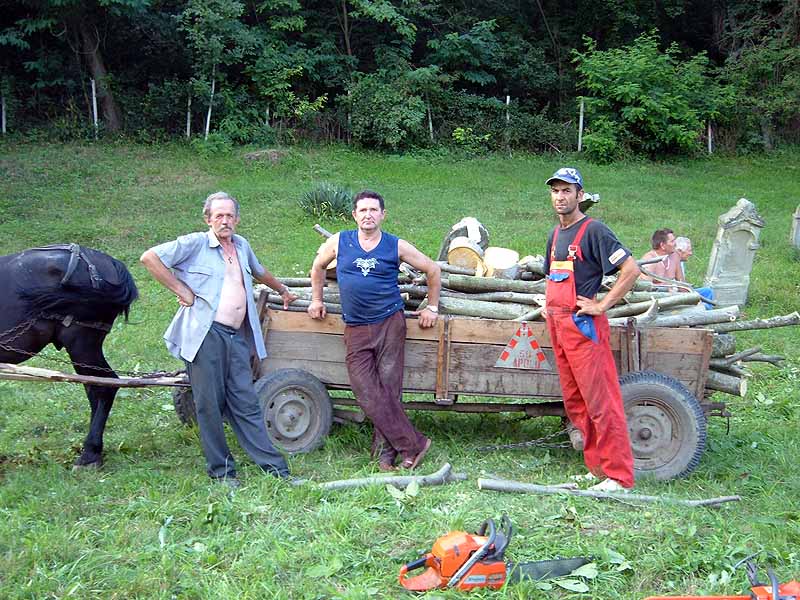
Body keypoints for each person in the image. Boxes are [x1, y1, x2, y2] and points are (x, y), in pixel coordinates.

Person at [141, 191, 295, 488]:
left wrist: (283, 290)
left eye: (230, 216)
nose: (225, 221)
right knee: (209, 404)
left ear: (237, 219)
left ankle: (277, 470)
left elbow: (260, 272)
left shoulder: (241, 245)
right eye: (219, 216)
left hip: (236, 336)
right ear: (208, 219)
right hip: (206, 335)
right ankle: (222, 472)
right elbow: (150, 258)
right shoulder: (195, 244)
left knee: (246, 401)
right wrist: (181, 290)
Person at [307, 190, 441, 471]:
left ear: (383, 215)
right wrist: (316, 300)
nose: (368, 215)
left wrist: (432, 307)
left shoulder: (395, 245)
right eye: (363, 210)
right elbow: (317, 267)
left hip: (389, 323)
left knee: (389, 390)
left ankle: (386, 455)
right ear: (354, 215)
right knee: (366, 391)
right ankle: (414, 443)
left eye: (373, 210)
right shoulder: (339, 241)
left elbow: (432, 269)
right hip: (355, 326)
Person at [543, 167, 639, 492]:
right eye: (555, 191)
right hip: (558, 326)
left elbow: (631, 269)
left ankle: (619, 477)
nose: (560, 197)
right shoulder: (555, 235)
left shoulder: (594, 230)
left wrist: (602, 305)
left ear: (579, 195)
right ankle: (598, 468)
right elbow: (552, 279)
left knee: (602, 402)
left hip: (584, 328)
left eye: (566, 191)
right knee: (577, 403)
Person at [674, 236, 715, 308]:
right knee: (704, 305)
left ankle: (706, 309)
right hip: (677, 294)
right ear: (679, 251)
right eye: (689, 250)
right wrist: (693, 296)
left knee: (707, 291)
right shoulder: (673, 262)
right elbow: (680, 288)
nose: (691, 253)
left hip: (684, 290)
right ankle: (704, 310)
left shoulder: (681, 262)